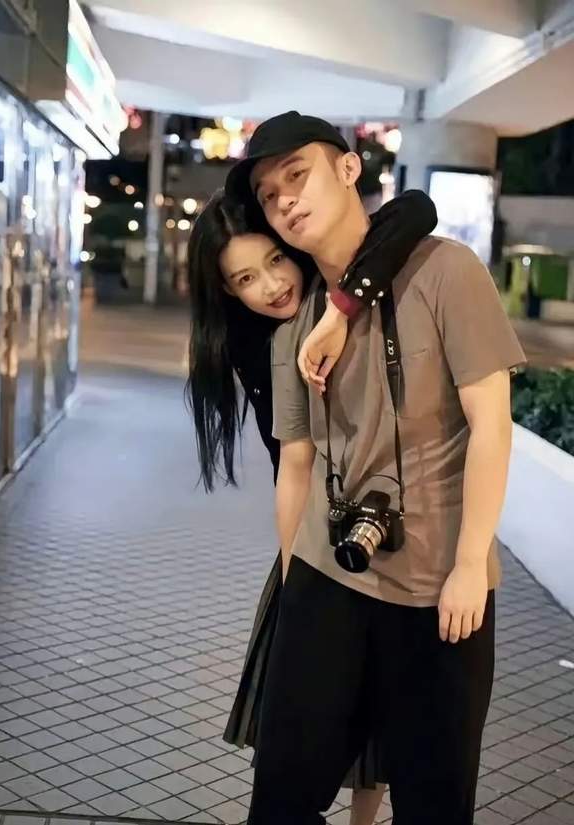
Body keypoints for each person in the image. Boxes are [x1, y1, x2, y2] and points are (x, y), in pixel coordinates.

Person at [225, 111, 527, 825]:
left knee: (433, 799)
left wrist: (470, 561)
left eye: (296, 175)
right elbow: (296, 465)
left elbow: (492, 424)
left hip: (440, 586)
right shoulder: (296, 327)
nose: (285, 200)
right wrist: (295, 588)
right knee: (281, 795)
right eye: (269, 195)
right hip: (329, 574)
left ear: (348, 168)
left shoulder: (445, 271)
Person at [186, 187, 438, 825]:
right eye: (245, 278)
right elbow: (291, 464)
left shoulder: (345, 287)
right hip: (309, 535)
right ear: (226, 293)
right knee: (297, 717)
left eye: (275, 259)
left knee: (374, 703)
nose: (272, 285)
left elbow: (415, 208)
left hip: (388, 526)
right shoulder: (251, 341)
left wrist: (342, 307)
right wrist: (294, 574)